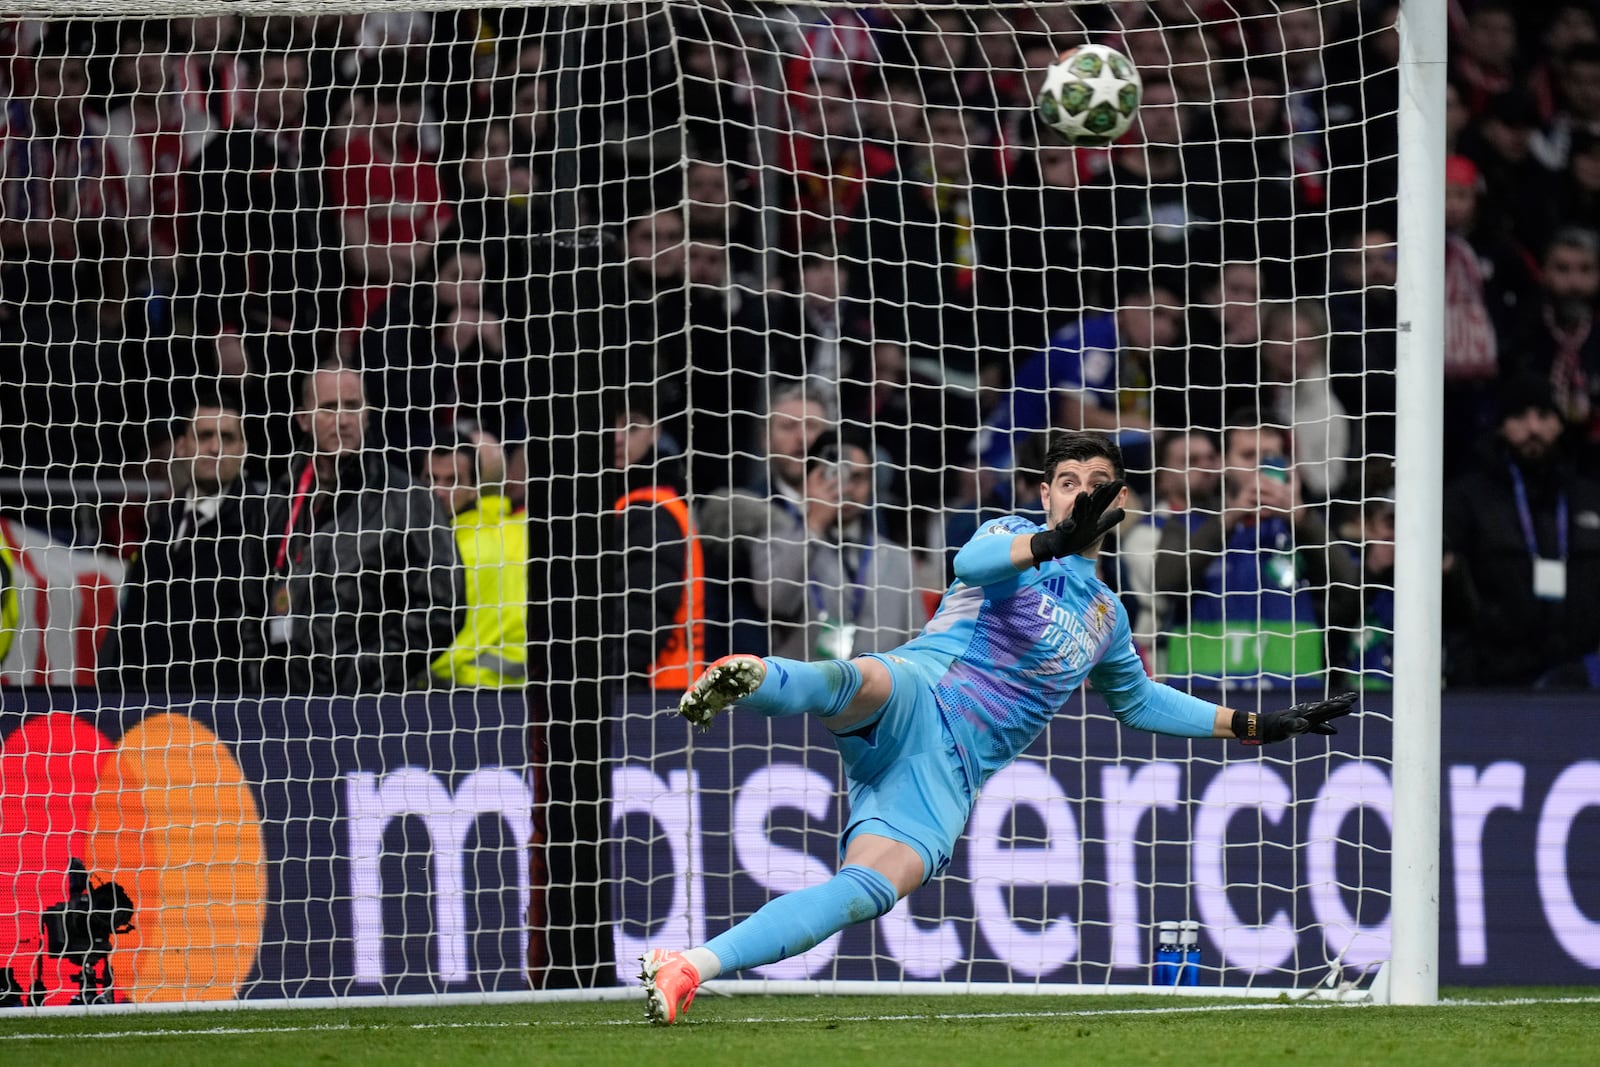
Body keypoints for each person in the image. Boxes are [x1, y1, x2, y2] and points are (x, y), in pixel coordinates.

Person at [639, 431, 1357, 1025]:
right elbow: (967, 562)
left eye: (1097, 479)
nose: (1080, 489)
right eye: (1067, 479)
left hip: (946, 778)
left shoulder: (1107, 614)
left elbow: (1138, 700)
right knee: (864, 678)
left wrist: (1254, 723)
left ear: (1122, 500)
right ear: (1045, 495)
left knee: (866, 889)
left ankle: (687, 966)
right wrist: (1050, 541)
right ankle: (753, 677)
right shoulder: (1011, 534)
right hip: (922, 693)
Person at [263, 359, 463, 693]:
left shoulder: (408, 499)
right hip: (282, 701)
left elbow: (443, 607)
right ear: (302, 420)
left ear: (367, 415)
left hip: (371, 709)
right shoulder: (279, 499)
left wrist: (367, 671)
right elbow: (253, 597)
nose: (342, 421)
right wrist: (260, 674)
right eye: (328, 408)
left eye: (352, 406)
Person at [1153, 421, 1362, 689]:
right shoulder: (1189, 523)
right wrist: (1230, 519)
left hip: (1292, 695)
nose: (1259, 467)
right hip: (1203, 696)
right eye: (1248, 456)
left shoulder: (1307, 527)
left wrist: (1301, 519)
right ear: (1224, 464)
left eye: (1270, 457)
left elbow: (1350, 592)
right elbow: (1167, 583)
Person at [99, 392, 271, 692]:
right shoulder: (160, 526)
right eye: (204, 436)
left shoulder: (263, 526)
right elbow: (130, 622)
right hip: (148, 708)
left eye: (227, 438)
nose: (215, 448)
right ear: (181, 446)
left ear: (243, 449)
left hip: (230, 717)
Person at [1442, 377, 1600, 686]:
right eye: (1519, 417)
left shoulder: (1589, 497)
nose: (1533, 428)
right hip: (1490, 681)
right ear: (1501, 425)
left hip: (1579, 682)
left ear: (1559, 423)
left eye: (1543, 416)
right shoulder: (1467, 499)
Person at [609, 393, 708, 690]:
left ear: (656, 432)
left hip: (645, 698)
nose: (616, 438)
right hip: (664, 692)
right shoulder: (650, 501)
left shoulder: (649, 510)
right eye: (608, 425)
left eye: (632, 427)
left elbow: (642, 620)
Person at [424, 432, 528, 688]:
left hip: (474, 689)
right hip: (490, 683)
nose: (439, 491)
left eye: (452, 481)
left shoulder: (465, 550)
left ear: (474, 490)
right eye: (431, 479)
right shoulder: (449, 538)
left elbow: (450, 648)